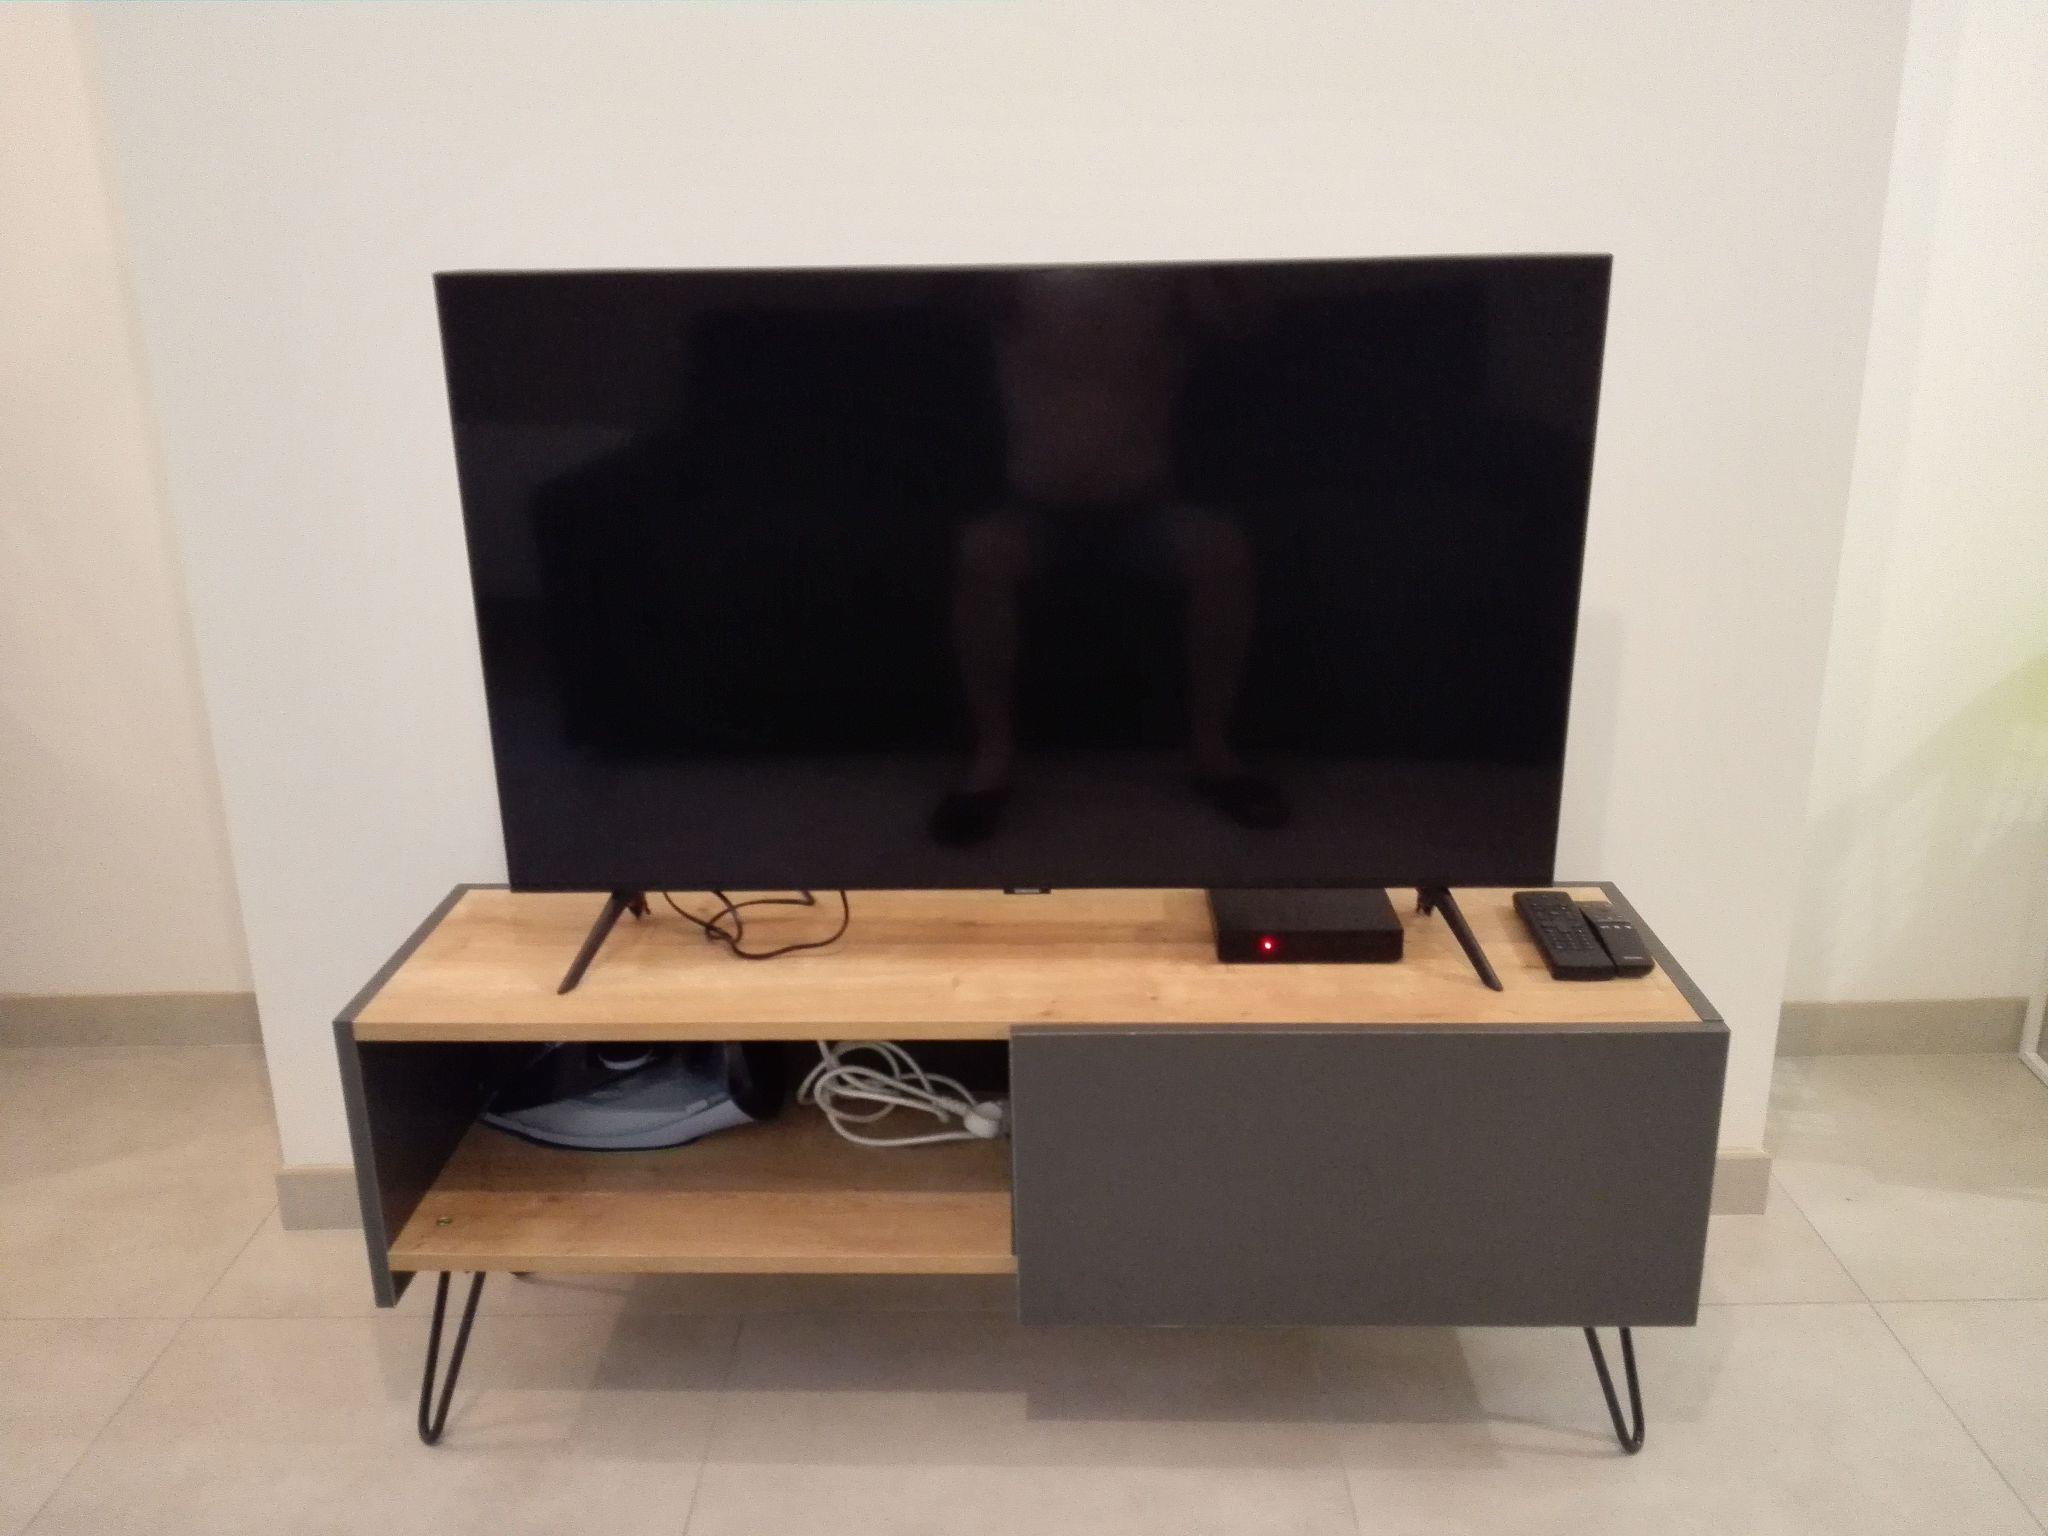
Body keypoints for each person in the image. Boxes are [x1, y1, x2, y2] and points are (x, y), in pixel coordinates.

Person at [933, 267, 1288, 846]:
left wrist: (1195, 264)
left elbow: (1244, 322)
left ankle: (1213, 751)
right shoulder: (1016, 269)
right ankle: (991, 758)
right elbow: (953, 300)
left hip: (1143, 508)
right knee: (982, 552)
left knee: (1221, 551)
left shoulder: (1167, 271)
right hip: (1036, 508)